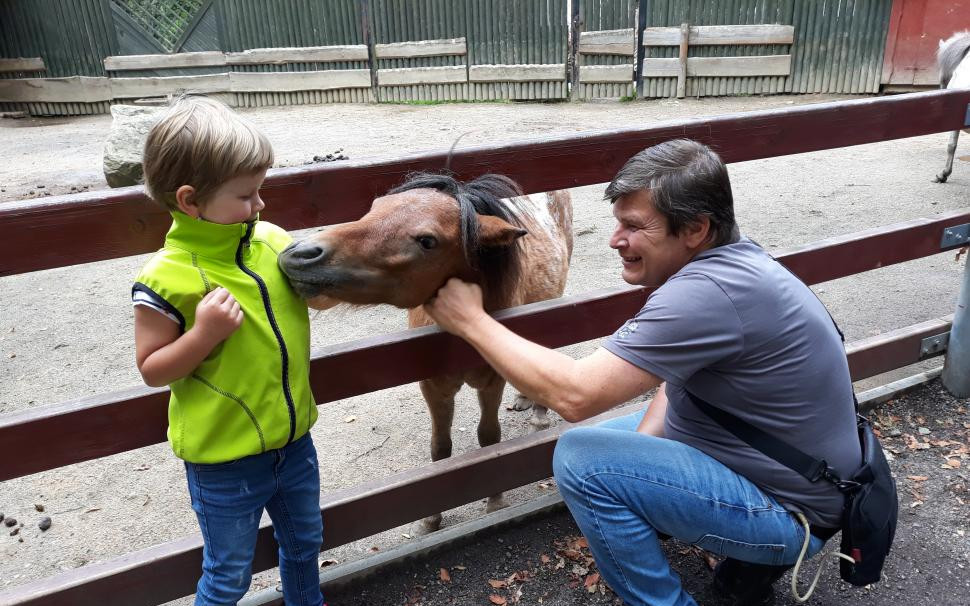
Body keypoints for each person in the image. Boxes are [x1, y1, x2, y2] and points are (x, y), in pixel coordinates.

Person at [423, 139, 861, 606]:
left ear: (695, 228)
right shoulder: (739, 261)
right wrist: (644, 459)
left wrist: (470, 320)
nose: (614, 240)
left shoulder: (704, 295)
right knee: (616, 443)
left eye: (633, 226)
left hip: (794, 513)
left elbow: (575, 397)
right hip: (802, 473)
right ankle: (733, 553)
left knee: (583, 460)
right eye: (617, 222)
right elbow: (679, 380)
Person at [132, 96, 326, 606]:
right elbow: (153, 370)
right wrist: (202, 335)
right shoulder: (166, 277)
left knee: (306, 544)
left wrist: (324, 285)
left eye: (261, 190)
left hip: (294, 443)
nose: (260, 205)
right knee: (228, 575)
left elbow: (317, 294)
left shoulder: (272, 242)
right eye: (247, 194)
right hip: (225, 463)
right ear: (191, 200)